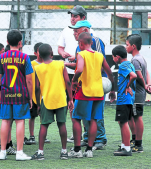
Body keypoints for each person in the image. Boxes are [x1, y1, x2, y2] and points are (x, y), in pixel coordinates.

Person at [68, 32, 115, 158]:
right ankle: (89, 150)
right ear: (92, 43)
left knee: (77, 118)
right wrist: (112, 90)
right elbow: (109, 72)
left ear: (80, 44)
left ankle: (77, 150)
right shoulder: (99, 55)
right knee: (94, 119)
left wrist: (74, 81)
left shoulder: (81, 54)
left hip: (84, 91)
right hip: (99, 92)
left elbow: (79, 70)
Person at [31, 44, 74, 160]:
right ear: (52, 53)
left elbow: (37, 88)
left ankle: (40, 152)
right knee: (62, 124)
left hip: (46, 99)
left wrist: (39, 105)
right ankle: (64, 151)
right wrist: (70, 99)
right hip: (61, 98)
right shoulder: (60, 64)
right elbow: (68, 82)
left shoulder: (37, 68)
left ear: (39, 54)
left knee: (44, 125)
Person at [0, 30, 33, 161]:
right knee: (20, 121)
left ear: (7, 42)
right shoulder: (25, 57)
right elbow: (29, 80)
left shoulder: (1, 57)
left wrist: (1, 95)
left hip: (6, 94)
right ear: (20, 42)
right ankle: (19, 152)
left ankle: (2, 152)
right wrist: (30, 97)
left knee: (5, 121)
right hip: (20, 94)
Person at [57, 5, 92, 143]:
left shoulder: (90, 32)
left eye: (75, 16)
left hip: (83, 74)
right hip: (69, 73)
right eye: (71, 16)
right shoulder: (66, 30)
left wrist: (77, 59)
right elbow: (60, 48)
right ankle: (75, 132)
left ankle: (87, 134)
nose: (72, 19)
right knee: (71, 103)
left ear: (83, 18)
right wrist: (63, 54)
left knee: (83, 103)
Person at [125, 34, 151, 153]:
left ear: (133, 46)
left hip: (137, 94)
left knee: (137, 117)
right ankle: (135, 139)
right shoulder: (140, 58)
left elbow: (139, 75)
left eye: (127, 45)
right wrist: (148, 84)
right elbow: (146, 72)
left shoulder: (135, 60)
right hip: (138, 93)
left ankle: (139, 144)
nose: (125, 47)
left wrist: (146, 87)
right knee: (133, 116)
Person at [111, 45, 137, 156]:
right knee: (122, 122)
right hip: (128, 99)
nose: (113, 59)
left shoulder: (122, 66)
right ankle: (124, 145)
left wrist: (127, 86)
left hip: (124, 99)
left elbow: (133, 75)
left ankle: (126, 148)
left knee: (123, 122)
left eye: (113, 57)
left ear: (117, 57)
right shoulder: (130, 64)